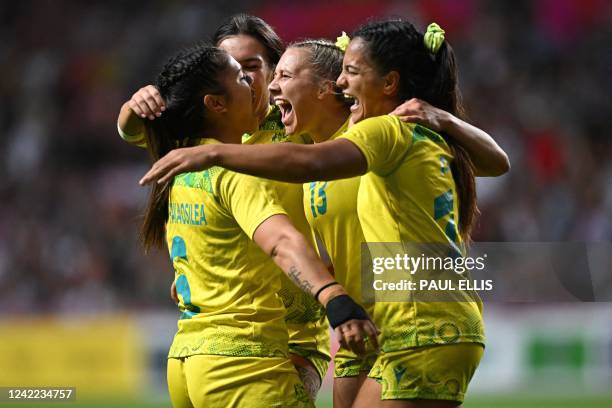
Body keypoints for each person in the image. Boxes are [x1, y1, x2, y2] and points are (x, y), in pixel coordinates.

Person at [142, 20, 509, 406]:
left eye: (350, 72)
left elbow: (308, 163)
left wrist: (212, 152)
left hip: (416, 321)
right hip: (367, 324)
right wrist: (134, 116)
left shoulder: (372, 135)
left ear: (323, 89)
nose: (269, 87)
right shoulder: (323, 138)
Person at [140, 42, 376, 408]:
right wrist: (334, 297)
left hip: (187, 361)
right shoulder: (232, 169)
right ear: (215, 104)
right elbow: (280, 240)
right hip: (243, 365)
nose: (254, 84)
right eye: (239, 77)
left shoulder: (181, 169)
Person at [117, 14, 330, 399]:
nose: (246, 79)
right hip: (245, 337)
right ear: (213, 94)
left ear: (276, 69)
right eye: (235, 70)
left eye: (252, 67)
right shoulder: (206, 143)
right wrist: (134, 107)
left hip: (294, 331)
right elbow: (138, 130)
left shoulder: (301, 124)